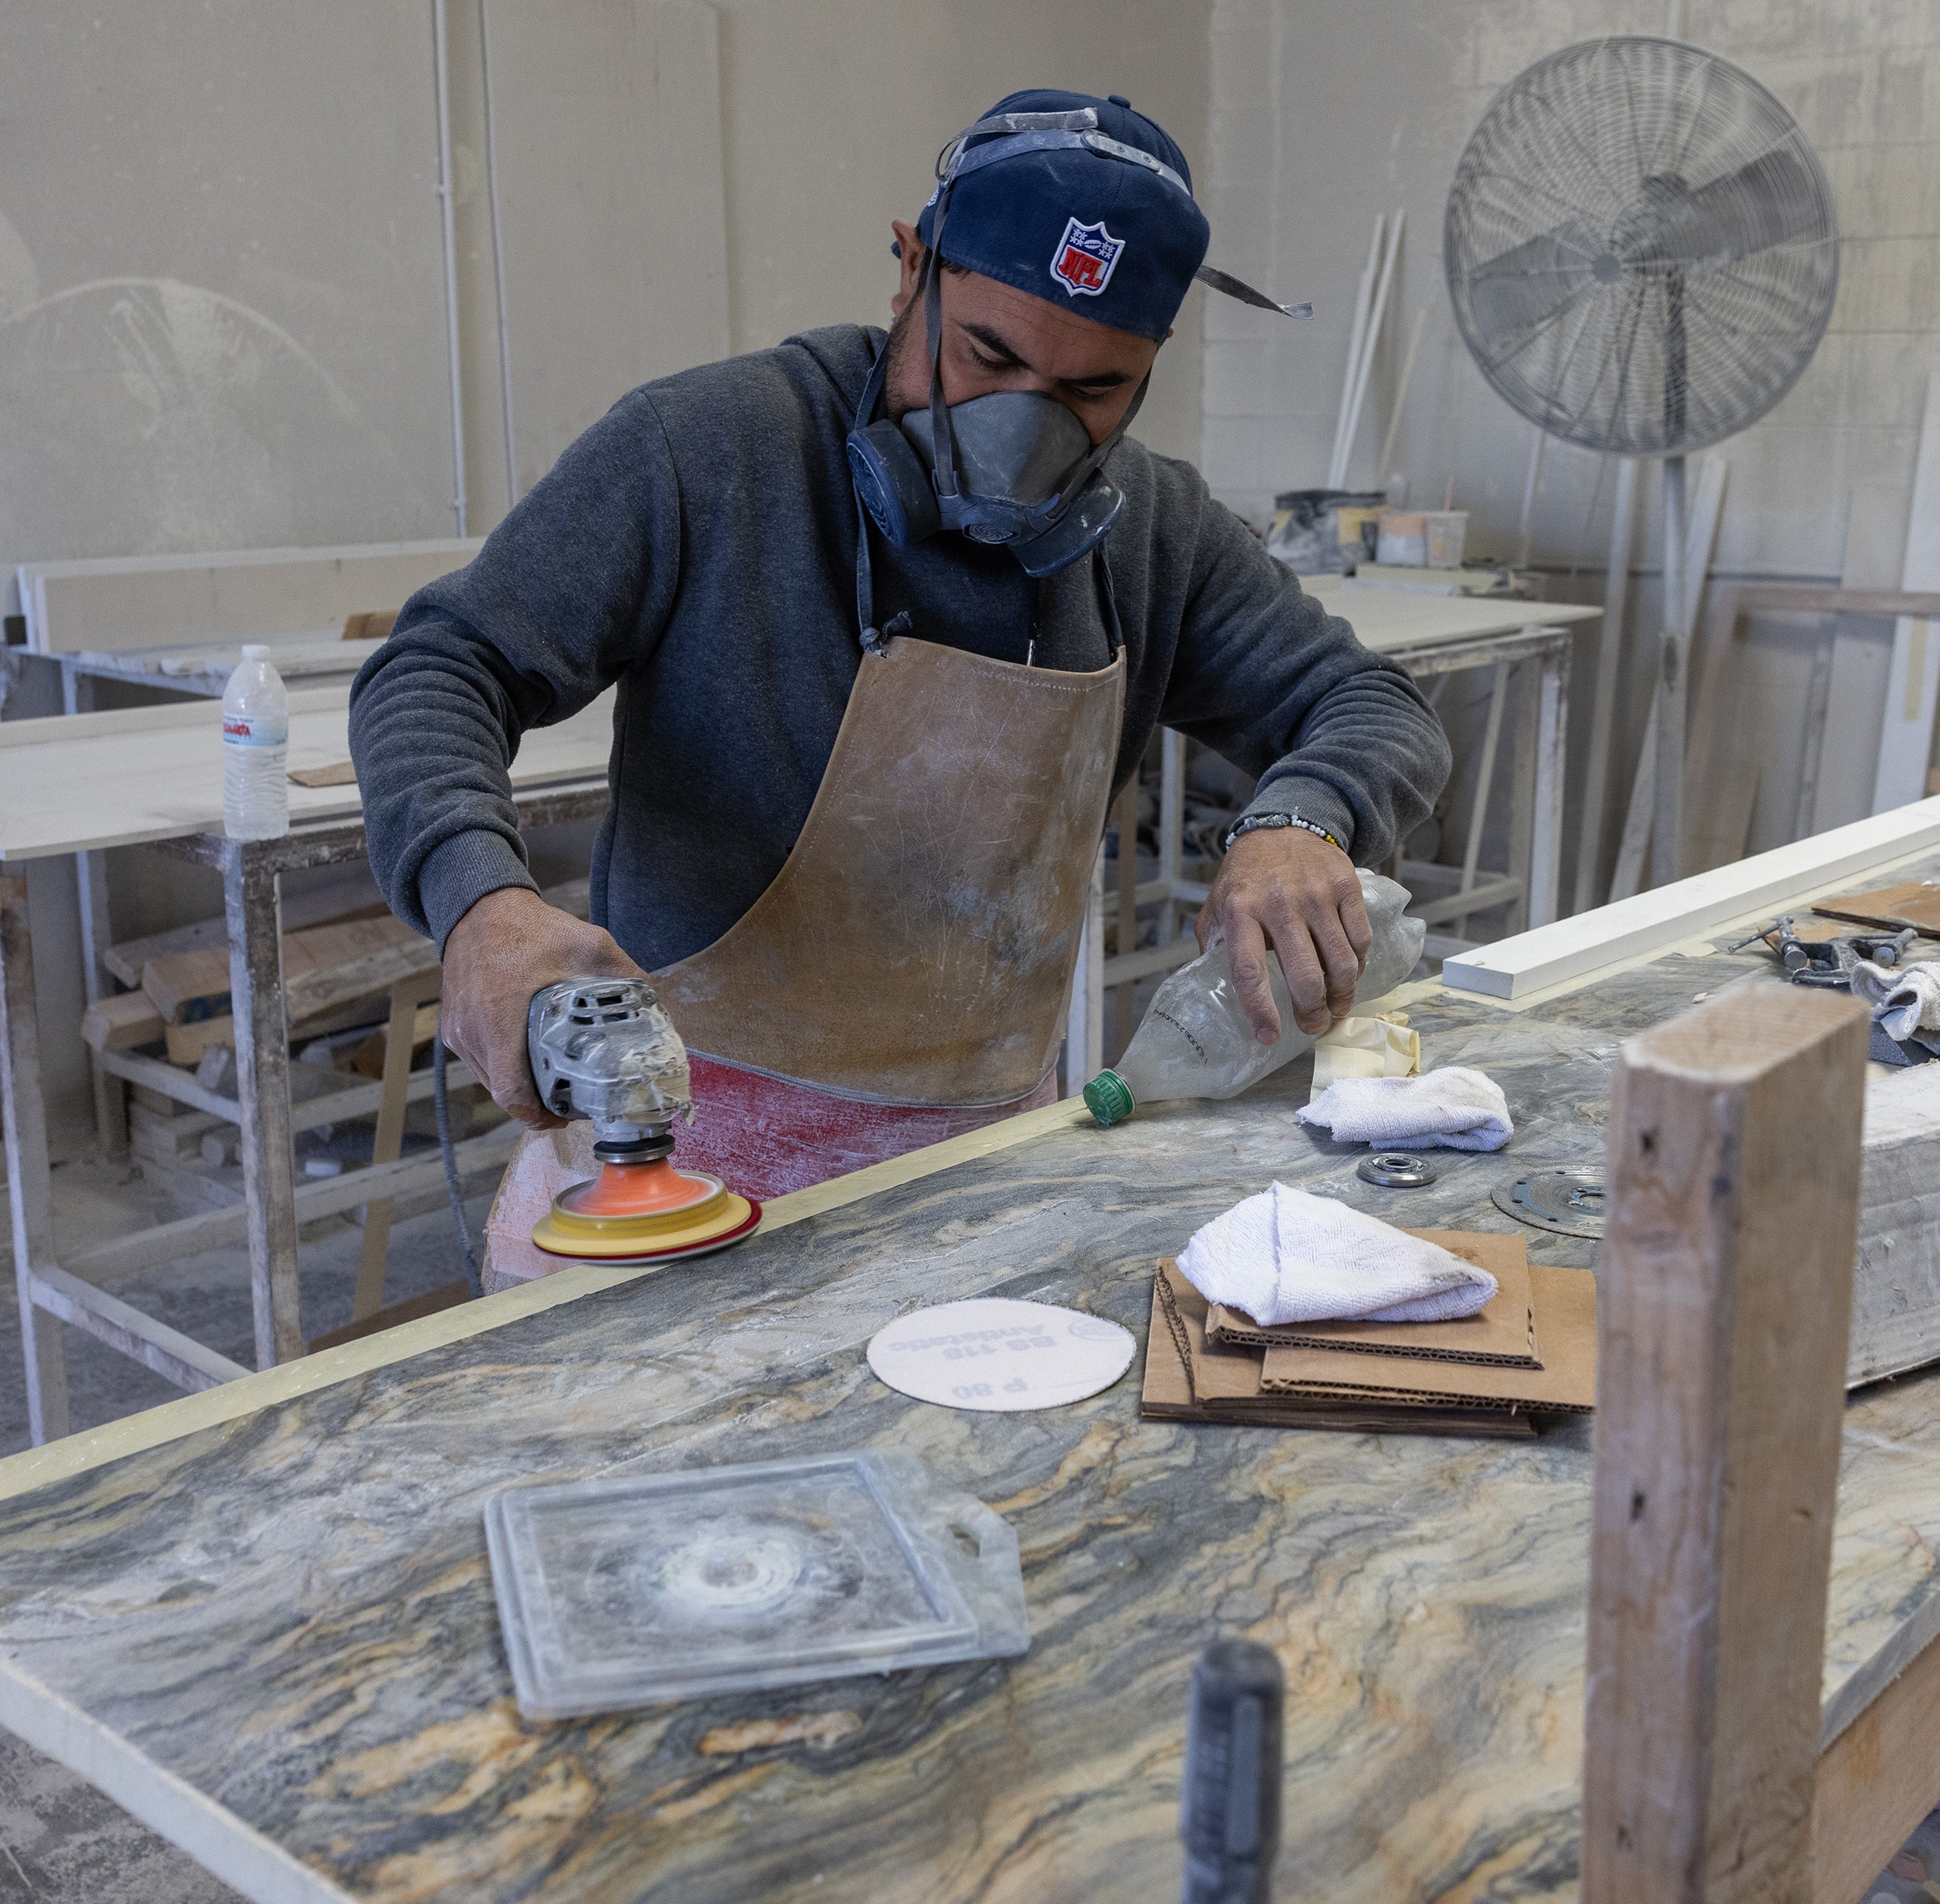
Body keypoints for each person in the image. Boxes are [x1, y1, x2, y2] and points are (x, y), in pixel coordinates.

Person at [349, 88, 1450, 1256]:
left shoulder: (1155, 532)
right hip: (664, 1189)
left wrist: (1302, 819)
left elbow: (1376, 704)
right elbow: (438, 665)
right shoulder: (715, 453)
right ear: (911, 268)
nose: (1027, 431)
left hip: (981, 1189)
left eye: (1091, 393)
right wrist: (480, 903)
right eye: (988, 356)